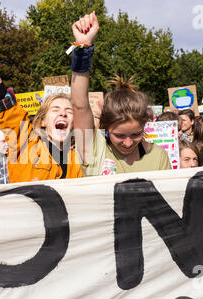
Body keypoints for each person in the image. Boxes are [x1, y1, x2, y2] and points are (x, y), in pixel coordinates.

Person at [0, 16, 82, 182]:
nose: (63, 114)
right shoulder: (24, 143)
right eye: (56, 109)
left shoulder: (76, 161)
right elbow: (2, 96)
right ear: (43, 121)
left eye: (69, 111)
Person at [70, 12, 171, 176]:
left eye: (136, 134)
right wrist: (83, 48)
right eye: (119, 135)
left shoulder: (158, 156)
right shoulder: (93, 149)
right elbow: (79, 104)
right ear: (106, 127)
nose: (128, 143)